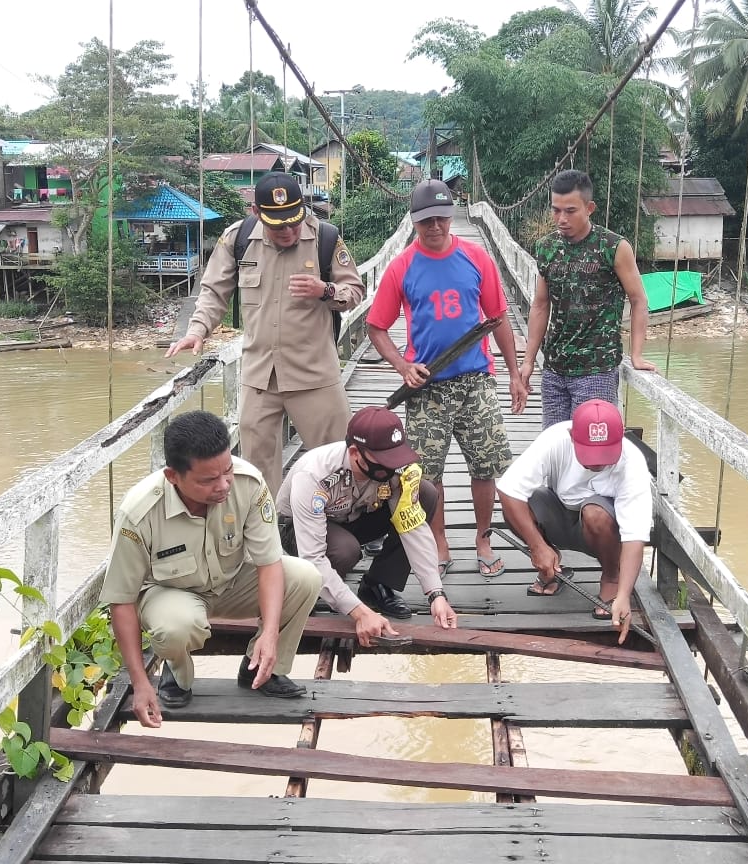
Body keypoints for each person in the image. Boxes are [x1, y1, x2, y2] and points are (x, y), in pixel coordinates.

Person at [99, 410, 322, 728]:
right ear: (173, 476)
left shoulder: (248, 484)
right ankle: (176, 674)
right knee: (177, 626)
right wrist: (139, 682)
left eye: (227, 471)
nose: (223, 485)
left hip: (231, 582)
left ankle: (261, 668)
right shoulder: (139, 512)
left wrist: (269, 634)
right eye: (208, 480)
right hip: (170, 592)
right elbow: (121, 600)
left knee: (304, 577)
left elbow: (269, 562)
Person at [165, 172, 365, 494]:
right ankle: (268, 539)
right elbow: (213, 291)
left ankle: (344, 534)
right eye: (278, 224)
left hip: (314, 373)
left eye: (294, 221)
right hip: (259, 376)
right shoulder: (237, 239)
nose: (288, 231)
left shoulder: (325, 238)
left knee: (338, 463)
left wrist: (324, 290)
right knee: (255, 474)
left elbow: (355, 291)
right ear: (257, 213)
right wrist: (198, 329)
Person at [367, 179, 526, 578]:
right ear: (414, 221)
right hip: (427, 387)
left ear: (452, 215)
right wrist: (403, 367)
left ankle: (483, 538)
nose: (434, 227)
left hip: (476, 380)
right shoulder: (401, 266)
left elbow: (499, 318)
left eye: (440, 218)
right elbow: (376, 326)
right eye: (425, 221)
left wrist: (514, 374)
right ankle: (439, 541)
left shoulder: (477, 258)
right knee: (426, 473)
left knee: (485, 466)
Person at [277, 406, 458, 644]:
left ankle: (377, 584)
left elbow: (412, 526)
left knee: (425, 493)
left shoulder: (392, 470)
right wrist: (359, 612)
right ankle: (309, 590)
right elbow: (313, 555)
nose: (391, 467)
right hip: (299, 532)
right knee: (344, 551)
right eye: (383, 461)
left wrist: (436, 594)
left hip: (353, 517)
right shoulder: (314, 475)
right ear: (354, 453)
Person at [495, 399, 652, 644]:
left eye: (605, 454)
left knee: (594, 512)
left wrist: (624, 594)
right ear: (571, 436)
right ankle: (550, 563)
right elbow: (508, 490)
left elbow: (634, 536)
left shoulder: (632, 462)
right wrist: (538, 547)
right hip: (560, 511)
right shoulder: (555, 439)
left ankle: (611, 576)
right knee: (516, 505)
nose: (597, 463)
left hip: (604, 530)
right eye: (590, 453)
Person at [520, 169, 657, 428]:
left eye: (570, 211)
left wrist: (636, 355)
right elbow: (540, 305)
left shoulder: (613, 247)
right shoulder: (546, 247)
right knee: (556, 451)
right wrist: (528, 361)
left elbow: (638, 300)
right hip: (554, 370)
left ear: (589, 207)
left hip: (596, 372)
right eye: (555, 210)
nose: (561, 219)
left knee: (592, 456)